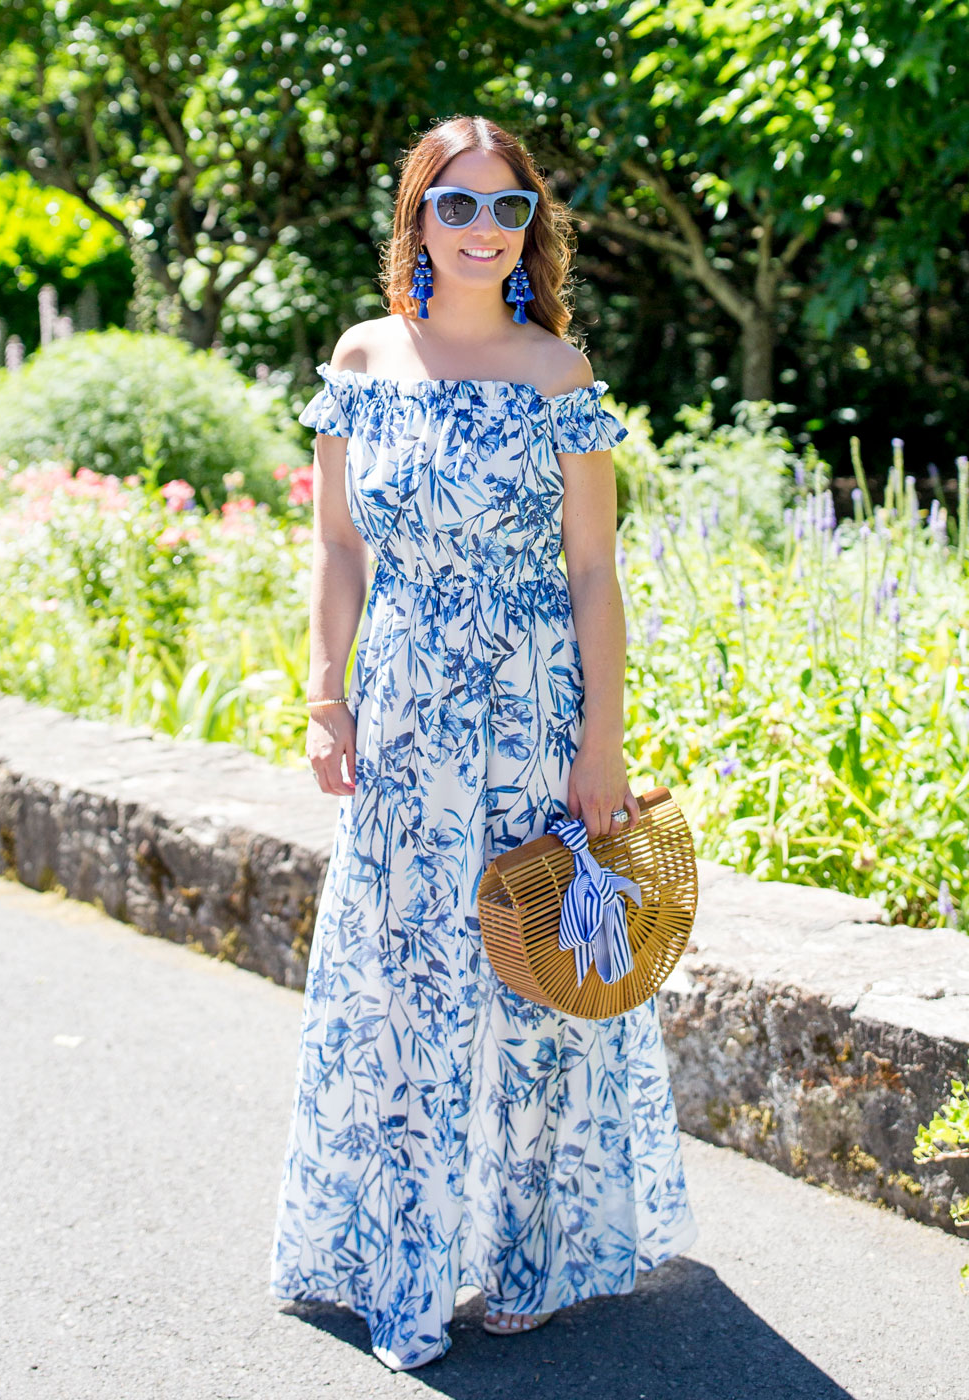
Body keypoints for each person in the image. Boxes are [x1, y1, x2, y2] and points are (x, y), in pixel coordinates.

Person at [269, 113, 697, 1372]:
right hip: (401, 715)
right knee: (403, 983)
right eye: (454, 206)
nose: (479, 230)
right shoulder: (360, 359)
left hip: (528, 709)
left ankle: (532, 1252)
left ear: (528, 229)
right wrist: (323, 696)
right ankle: (390, 1250)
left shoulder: (555, 373)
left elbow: (592, 574)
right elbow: (339, 548)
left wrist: (601, 744)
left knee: (532, 965)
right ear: (416, 219)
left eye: (504, 209)